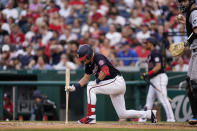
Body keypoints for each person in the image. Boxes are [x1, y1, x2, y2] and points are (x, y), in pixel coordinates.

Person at [65, 44, 157, 124]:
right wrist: (74, 87)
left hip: (116, 82)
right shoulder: (88, 64)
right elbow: (86, 78)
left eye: (84, 59)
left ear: (88, 56)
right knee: (122, 114)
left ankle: (90, 117)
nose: (83, 61)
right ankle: (150, 114)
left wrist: (96, 82)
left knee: (91, 87)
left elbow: (105, 70)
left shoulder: (98, 57)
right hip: (112, 84)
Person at [139, 37, 175, 122]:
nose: (145, 45)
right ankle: (143, 118)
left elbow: (158, 67)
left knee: (163, 99)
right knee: (149, 99)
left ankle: (171, 119)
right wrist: (148, 75)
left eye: (147, 43)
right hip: (154, 79)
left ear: (151, 43)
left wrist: (147, 74)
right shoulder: (151, 54)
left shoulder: (155, 53)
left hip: (159, 78)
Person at [176, 0, 197, 125]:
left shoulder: (194, 12)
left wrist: (185, 42)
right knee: (189, 83)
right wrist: (185, 22)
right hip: (194, 52)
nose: (182, 4)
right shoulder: (191, 14)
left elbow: (196, 31)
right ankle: (195, 115)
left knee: (194, 83)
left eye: (184, 1)